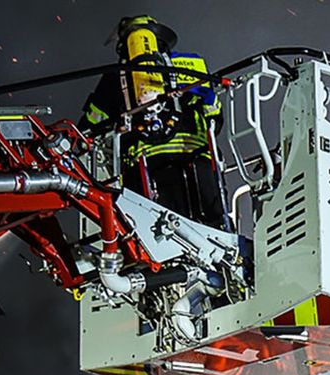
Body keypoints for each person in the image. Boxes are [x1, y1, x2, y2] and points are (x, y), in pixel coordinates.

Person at [81, 15, 228, 230]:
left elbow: (90, 126)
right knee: (214, 228)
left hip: (145, 169)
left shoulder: (114, 77)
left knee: (153, 235)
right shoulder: (193, 63)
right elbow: (215, 116)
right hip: (199, 162)